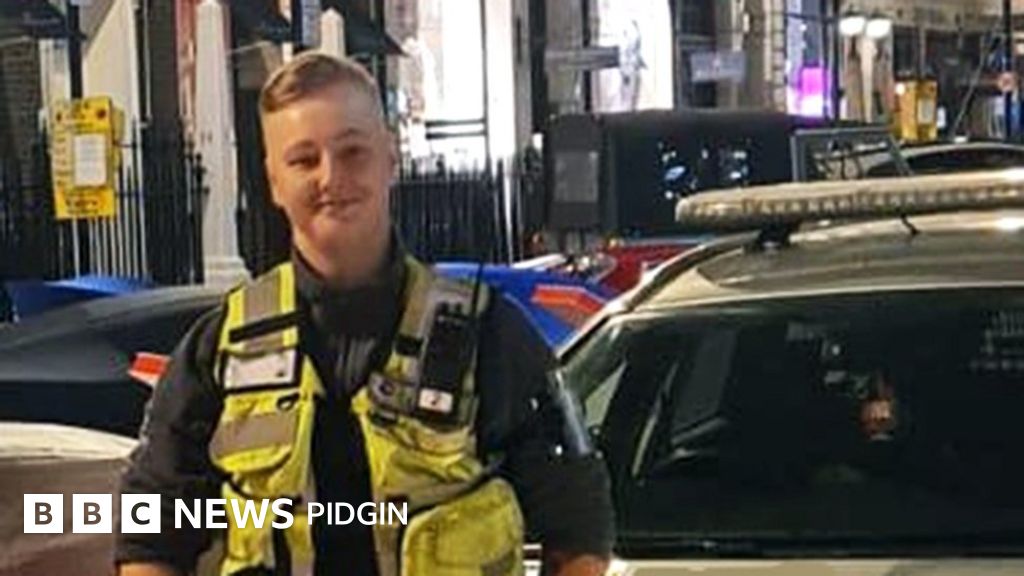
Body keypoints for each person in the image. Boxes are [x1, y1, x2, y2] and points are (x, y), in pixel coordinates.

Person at [115, 53, 613, 576]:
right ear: (273, 181)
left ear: (390, 157)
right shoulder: (217, 349)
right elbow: (151, 532)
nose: (331, 177)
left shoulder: (488, 335)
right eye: (304, 160)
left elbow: (578, 521)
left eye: (352, 151)